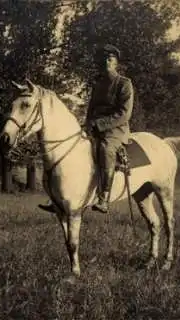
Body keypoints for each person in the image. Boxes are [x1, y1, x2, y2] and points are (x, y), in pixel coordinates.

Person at [38, 44, 135, 214]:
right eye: (104, 59)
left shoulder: (124, 84)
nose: (106, 62)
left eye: (110, 59)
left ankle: (104, 196)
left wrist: (99, 124)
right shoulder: (98, 85)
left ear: (116, 63)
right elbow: (91, 109)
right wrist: (87, 124)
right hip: (95, 128)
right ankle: (59, 195)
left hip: (115, 130)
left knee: (106, 149)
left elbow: (124, 114)